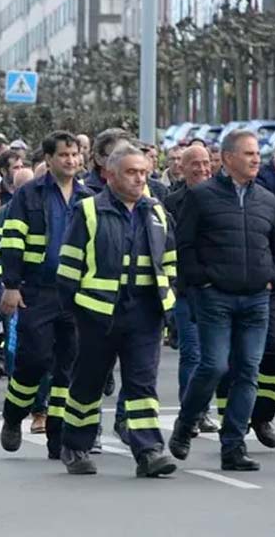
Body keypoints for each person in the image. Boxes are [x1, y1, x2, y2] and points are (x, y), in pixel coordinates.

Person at [170, 130, 275, 472]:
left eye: (257, 154)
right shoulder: (202, 196)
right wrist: (203, 283)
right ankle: (185, 423)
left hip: (256, 299)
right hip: (215, 297)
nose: (256, 159)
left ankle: (233, 446)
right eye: (249, 153)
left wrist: (273, 279)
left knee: (248, 372)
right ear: (227, 158)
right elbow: (184, 247)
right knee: (214, 366)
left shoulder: (268, 200)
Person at [55, 144, 178, 477]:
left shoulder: (156, 212)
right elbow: (68, 266)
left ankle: (149, 450)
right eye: (131, 172)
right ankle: (75, 445)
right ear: (110, 175)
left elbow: (169, 263)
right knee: (88, 383)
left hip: (145, 313)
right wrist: (73, 313)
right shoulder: (88, 211)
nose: (140, 179)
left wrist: (169, 304)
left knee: (142, 384)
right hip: (97, 314)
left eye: (143, 172)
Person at [0, 132, 93, 460]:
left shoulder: (89, 196)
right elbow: (12, 240)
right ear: (49, 159)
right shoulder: (29, 195)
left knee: (69, 367)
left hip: (77, 294)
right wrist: (11, 285)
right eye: (64, 154)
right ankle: (13, 415)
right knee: (34, 359)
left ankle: (59, 437)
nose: (71, 160)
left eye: (75, 154)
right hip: (38, 291)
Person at [163, 144, 218, 434]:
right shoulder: (171, 203)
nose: (201, 168)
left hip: (219, 290)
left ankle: (203, 409)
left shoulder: (224, 197)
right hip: (186, 291)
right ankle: (192, 412)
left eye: (205, 162)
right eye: (194, 163)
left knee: (216, 357)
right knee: (193, 354)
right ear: (181, 169)